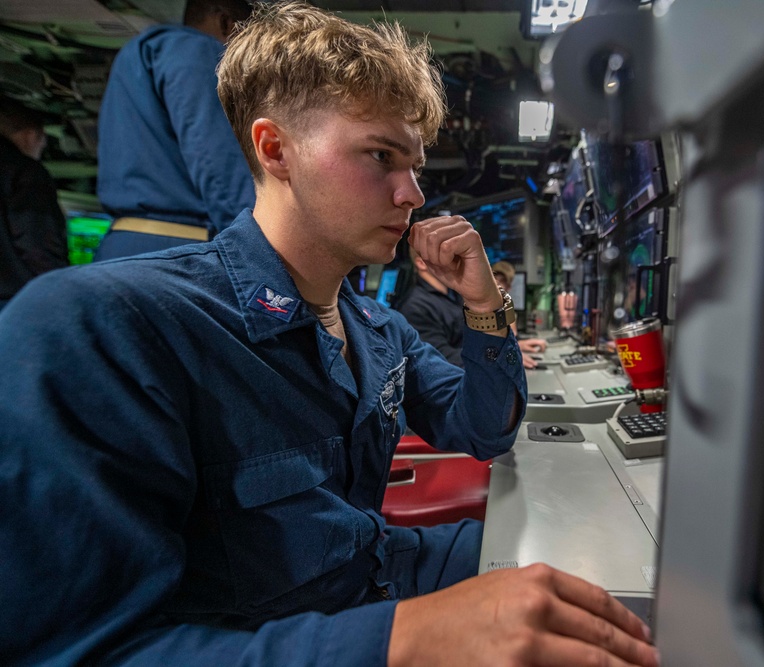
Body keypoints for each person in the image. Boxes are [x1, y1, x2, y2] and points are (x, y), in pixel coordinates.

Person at [0, 3, 658, 666]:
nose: (411, 195)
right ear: (275, 148)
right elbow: (76, 651)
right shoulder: (101, 326)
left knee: (615, 582)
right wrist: (406, 638)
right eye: (380, 156)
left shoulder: (376, 329)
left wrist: (485, 302)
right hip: (300, 636)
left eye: (416, 166)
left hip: (370, 582)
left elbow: (485, 428)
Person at [94, 0, 255, 260]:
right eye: (253, 43)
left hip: (121, 244)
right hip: (180, 249)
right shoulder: (198, 50)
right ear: (227, 23)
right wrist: (260, 247)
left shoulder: (137, 53)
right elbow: (218, 167)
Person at [0, 98, 67, 310]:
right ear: (31, 135)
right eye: (43, 142)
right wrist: (60, 293)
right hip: (13, 300)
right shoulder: (25, 171)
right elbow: (36, 240)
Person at [395, 244, 468, 366]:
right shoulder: (415, 306)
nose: (454, 259)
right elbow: (440, 358)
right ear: (422, 263)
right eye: (444, 254)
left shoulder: (456, 294)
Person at [491, 260, 549, 360]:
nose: (497, 284)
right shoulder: (475, 312)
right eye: (494, 279)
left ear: (509, 287)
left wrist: (519, 344)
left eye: (502, 281)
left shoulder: (506, 311)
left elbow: (505, 342)